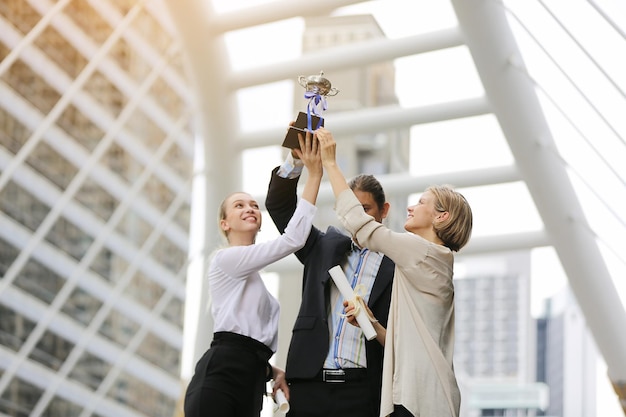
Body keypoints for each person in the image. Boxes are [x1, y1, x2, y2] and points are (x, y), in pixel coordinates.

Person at [317, 127, 473, 417]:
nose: (412, 207)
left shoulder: (422, 251)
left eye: (422, 202)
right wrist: (373, 324)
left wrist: (330, 164)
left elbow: (359, 223)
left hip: (419, 399)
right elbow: (405, 344)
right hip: (425, 397)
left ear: (441, 216)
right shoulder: (435, 261)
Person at [183, 133, 322, 417]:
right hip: (220, 379)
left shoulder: (252, 280)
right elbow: (292, 240)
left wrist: (272, 370)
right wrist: (315, 175)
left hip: (250, 382)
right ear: (225, 223)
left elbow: (249, 345)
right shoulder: (225, 260)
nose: (250, 208)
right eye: (239, 205)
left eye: (253, 205)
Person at [265, 127, 395, 417]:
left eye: (366, 209)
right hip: (310, 385)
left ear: (383, 210)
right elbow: (279, 205)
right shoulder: (321, 246)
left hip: (362, 392)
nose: (357, 218)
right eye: (353, 209)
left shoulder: (396, 264)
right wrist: (296, 163)